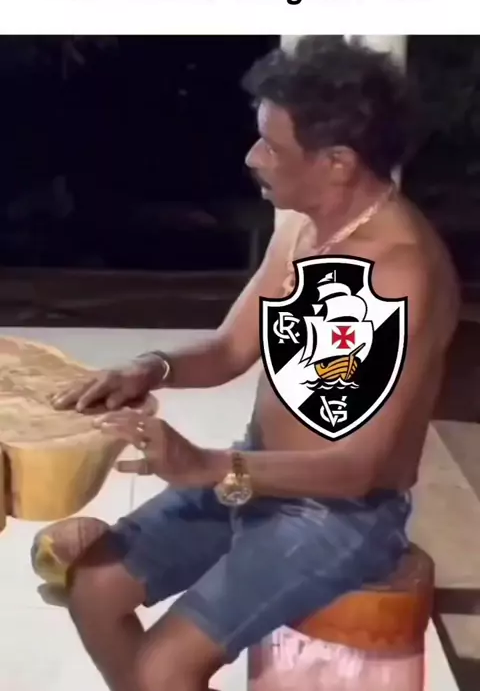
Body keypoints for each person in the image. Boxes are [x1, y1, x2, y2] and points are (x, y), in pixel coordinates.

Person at [52, 36, 459, 691]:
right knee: (94, 589)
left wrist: (206, 466)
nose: (252, 157)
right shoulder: (302, 227)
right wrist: (149, 368)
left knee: (163, 668)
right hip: (256, 474)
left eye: (272, 145)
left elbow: (355, 470)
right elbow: (230, 348)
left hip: (343, 516)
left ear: (337, 163)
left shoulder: (398, 272)